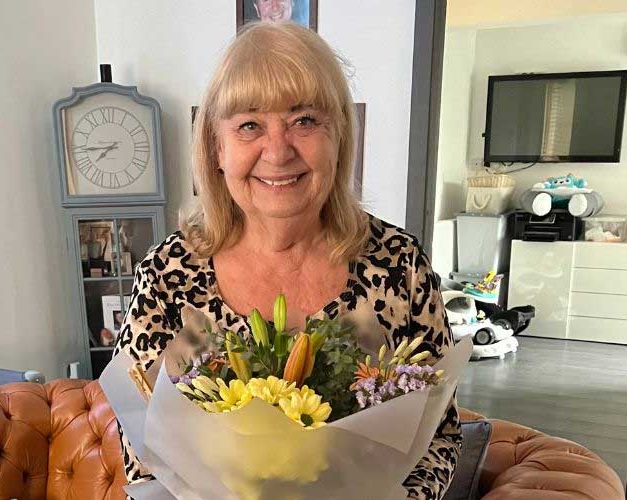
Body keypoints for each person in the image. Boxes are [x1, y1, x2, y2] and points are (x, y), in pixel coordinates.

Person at [113, 22, 462, 499]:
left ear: (338, 135)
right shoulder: (167, 274)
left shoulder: (398, 265)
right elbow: (145, 457)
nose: (277, 152)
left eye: (304, 120)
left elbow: (438, 438)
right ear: (216, 148)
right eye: (249, 125)